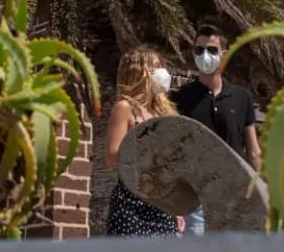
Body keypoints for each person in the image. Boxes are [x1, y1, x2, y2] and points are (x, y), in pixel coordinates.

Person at [171, 21, 262, 236]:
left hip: (234, 193)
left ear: (224, 54)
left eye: (212, 50)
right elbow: (173, 151)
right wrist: (174, 205)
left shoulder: (242, 97)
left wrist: (258, 192)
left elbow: (253, 151)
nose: (205, 55)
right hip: (195, 199)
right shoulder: (180, 98)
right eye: (199, 50)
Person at [103, 46, 182, 238]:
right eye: (156, 66)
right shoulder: (125, 108)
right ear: (140, 72)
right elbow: (112, 160)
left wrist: (177, 208)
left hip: (163, 205)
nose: (163, 72)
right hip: (131, 205)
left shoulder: (163, 113)